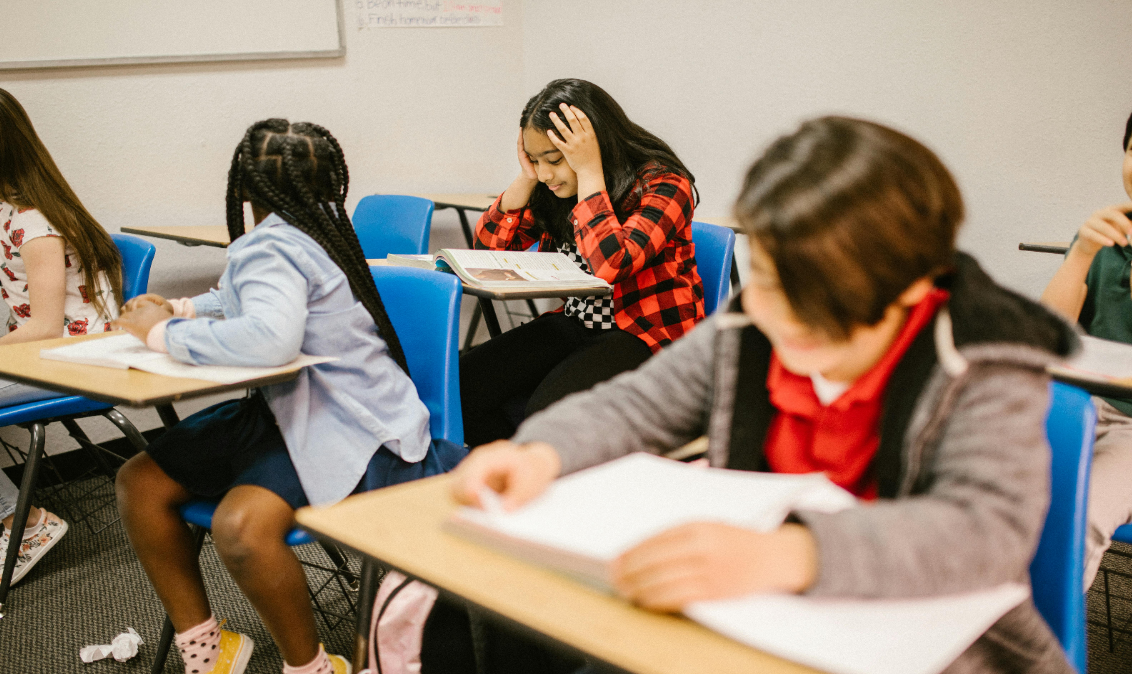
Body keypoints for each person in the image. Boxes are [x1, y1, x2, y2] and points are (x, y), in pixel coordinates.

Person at [452, 116, 1077, 673]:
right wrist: (540, 453)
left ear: (916, 285)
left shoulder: (985, 359)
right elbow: (638, 404)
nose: (789, 319)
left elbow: (985, 532)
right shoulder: (753, 329)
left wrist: (791, 555)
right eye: (775, 281)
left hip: (926, 636)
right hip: (756, 614)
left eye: (826, 296)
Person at [114, 119, 467, 674]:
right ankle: (209, 648)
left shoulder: (273, 242)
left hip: (347, 420)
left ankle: (311, 667)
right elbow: (256, 303)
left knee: (240, 526)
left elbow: (270, 339)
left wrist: (161, 334)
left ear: (246, 189)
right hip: (293, 407)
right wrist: (184, 310)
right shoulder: (317, 228)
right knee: (142, 480)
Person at [461, 78, 705, 447]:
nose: (546, 174)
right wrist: (526, 179)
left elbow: (612, 264)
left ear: (593, 146)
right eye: (535, 160)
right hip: (577, 322)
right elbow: (485, 249)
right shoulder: (552, 187)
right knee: (464, 385)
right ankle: (515, 474)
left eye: (555, 160)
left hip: (643, 333)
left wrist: (590, 173)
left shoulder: (664, 184)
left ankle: (543, 469)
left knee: (547, 418)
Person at [0, 84, 123, 593]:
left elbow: (45, 327)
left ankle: (23, 522)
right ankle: (16, 517)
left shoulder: (36, 224)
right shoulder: (2, 210)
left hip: (75, 359)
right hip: (39, 355)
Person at [1040, 110, 1132, 590]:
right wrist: (1081, 255)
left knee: (1081, 515)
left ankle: (1039, 652)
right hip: (1083, 403)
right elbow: (1049, 335)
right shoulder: (1106, 233)